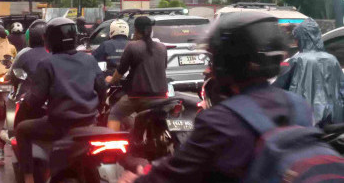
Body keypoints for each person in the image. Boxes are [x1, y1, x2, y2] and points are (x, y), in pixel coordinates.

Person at [120, 12, 312, 183]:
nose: (208, 67)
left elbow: (174, 172)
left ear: (225, 62)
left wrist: (138, 178)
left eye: (213, 59)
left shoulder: (220, 122)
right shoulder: (299, 106)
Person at [15, 18, 106, 183]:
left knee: (21, 129)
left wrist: (25, 104)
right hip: (89, 124)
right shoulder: (89, 59)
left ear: (49, 39)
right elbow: (102, 89)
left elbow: (35, 99)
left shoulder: (47, 63)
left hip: (59, 125)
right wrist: (97, 110)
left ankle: (28, 177)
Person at [0, 20, 51, 164]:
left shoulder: (24, 53)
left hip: (26, 96)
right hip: (52, 99)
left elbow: (13, 75)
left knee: (10, 117)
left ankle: (0, 149)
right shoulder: (55, 52)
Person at [273, 18, 344, 127]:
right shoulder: (332, 60)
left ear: (301, 39)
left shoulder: (294, 61)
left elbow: (277, 88)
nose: (296, 42)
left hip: (304, 123)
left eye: (296, 38)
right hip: (333, 123)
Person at [106, 16, 168, 132]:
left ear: (135, 29)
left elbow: (120, 71)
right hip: (162, 96)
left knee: (115, 113)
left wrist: (111, 80)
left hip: (138, 97)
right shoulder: (162, 47)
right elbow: (163, 68)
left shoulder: (132, 46)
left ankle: (112, 145)